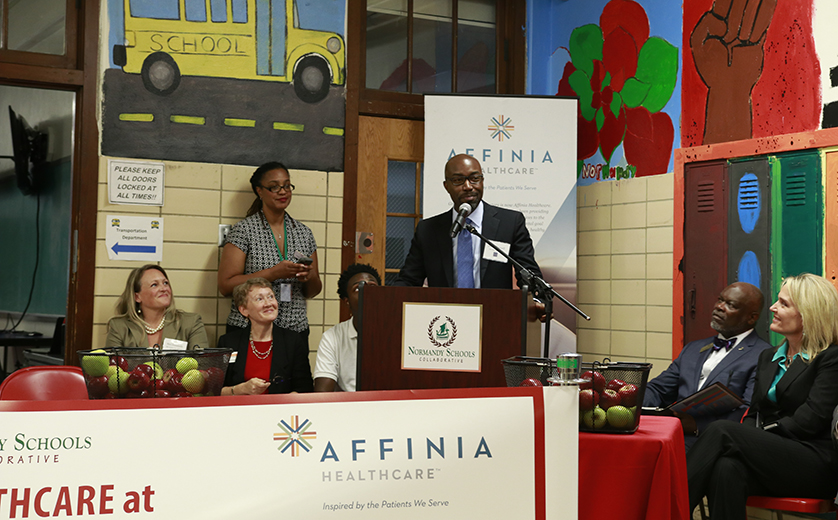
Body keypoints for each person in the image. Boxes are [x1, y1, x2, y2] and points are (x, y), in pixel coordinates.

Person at [687, 273, 838, 519]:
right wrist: (751, 438)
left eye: (784, 304)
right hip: (772, 459)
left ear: (809, 314)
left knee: (723, 430)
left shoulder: (831, 358)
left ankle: (668, 509)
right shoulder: (768, 357)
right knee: (727, 468)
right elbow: (755, 413)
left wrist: (754, 438)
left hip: (813, 463)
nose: (773, 308)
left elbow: (809, 421)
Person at [643, 282, 772, 449]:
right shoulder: (693, 348)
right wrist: (633, 403)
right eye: (720, 300)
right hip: (673, 436)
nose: (719, 307)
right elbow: (659, 389)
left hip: (716, 444)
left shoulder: (763, 355)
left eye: (730, 305)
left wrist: (697, 425)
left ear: (752, 317)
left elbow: (748, 412)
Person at [393, 154, 542, 288]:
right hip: (445, 314)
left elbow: (528, 274)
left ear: (482, 181)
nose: (468, 186)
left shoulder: (510, 223)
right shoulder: (428, 230)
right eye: (458, 180)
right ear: (447, 186)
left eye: (474, 179)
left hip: (495, 311)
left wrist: (536, 301)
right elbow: (409, 280)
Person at [218, 161, 322, 340]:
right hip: (249, 329)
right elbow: (226, 286)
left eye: (287, 186)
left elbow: (313, 290)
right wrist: (272, 273)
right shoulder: (243, 231)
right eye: (274, 187)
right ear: (259, 191)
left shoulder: (304, 233)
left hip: (294, 330)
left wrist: (308, 277)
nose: (283, 192)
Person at [218, 278, 313, 395]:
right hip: (240, 410)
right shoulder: (228, 342)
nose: (268, 304)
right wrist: (240, 389)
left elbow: (305, 388)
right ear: (244, 310)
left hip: (280, 411)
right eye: (260, 299)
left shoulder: (293, 341)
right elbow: (215, 391)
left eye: (271, 297)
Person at [313, 263, 381, 392]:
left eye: (372, 286)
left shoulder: (397, 331)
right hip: (350, 406)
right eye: (357, 288)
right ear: (346, 301)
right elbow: (322, 394)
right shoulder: (332, 337)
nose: (366, 291)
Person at [106, 264, 209, 349]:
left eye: (165, 283)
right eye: (154, 285)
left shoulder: (191, 323)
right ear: (137, 297)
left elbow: (203, 366)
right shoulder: (119, 327)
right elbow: (114, 368)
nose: (164, 288)